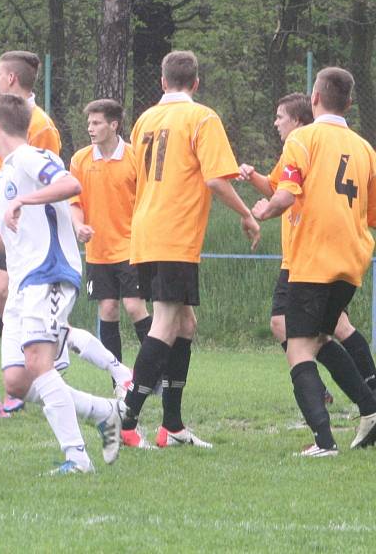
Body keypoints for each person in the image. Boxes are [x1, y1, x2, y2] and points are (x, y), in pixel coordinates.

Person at [0, 94, 124, 473]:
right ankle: (103, 412)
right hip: (24, 282)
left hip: (49, 273)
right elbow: (10, 242)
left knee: (39, 363)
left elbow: (70, 185)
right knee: (17, 381)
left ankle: (77, 457)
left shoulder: (29, 157)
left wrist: (25, 200)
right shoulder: (5, 174)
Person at [121, 50, 260, 449]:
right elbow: (217, 179)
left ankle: (172, 425)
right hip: (174, 232)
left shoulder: (145, 119)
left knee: (185, 325)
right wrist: (247, 213)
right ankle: (126, 419)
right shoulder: (202, 117)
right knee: (165, 323)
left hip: (147, 229)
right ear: (196, 83)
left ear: (163, 82)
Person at [251, 67, 376, 456]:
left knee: (298, 347)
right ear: (350, 104)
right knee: (321, 337)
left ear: (315, 98)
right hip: (351, 262)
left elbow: (286, 194)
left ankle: (324, 442)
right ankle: (371, 409)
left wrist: (263, 211)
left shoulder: (303, 139)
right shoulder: (366, 149)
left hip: (313, 259)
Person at [0, 50, 61, 417]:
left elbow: (48, 183)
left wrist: (7, 207)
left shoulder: (43, 126)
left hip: (18, 222)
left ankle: (33, 360)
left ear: (11, 79)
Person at [69, 99, 151, 375]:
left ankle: (156, 371)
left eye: (96, 122)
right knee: (108, 308)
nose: (90, 128)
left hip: (131, 247)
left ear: (113, 125)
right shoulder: (80, 159)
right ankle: (119, 376)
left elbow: (146, 201)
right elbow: (74, 203)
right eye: (89, 123)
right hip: (98, 251)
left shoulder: (134, 158)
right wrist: (79, 226)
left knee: (134, 306)